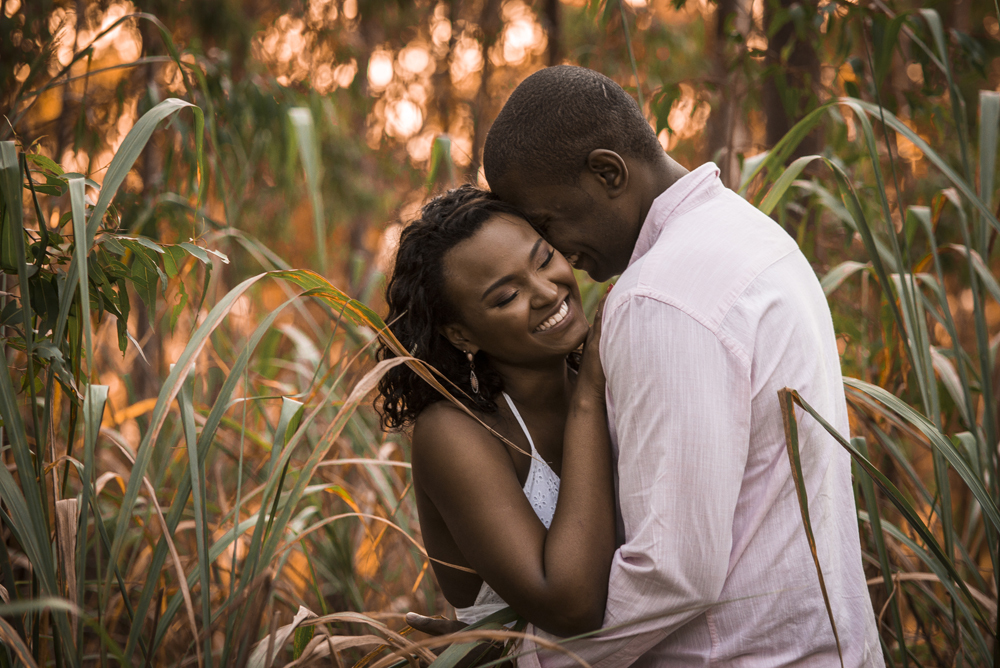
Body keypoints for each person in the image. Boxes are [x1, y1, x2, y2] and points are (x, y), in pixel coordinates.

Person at [471, 65, 883, 666]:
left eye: (547, 222)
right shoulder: (754, 235)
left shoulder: (659, 296)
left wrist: (524, 662)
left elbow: (672, 575)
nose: (556, 251)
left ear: (608, 172)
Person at [375, 184, 618, 635]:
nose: (547, 292)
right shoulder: (453, 433)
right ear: (461, 335)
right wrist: (587, 397)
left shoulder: (616, 376)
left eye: (544, 258)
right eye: (506, 296)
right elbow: (570, 607)